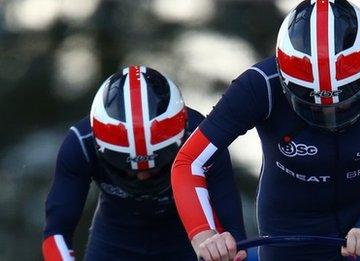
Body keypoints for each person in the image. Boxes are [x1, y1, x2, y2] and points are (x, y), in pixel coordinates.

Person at [171, 0, 360, 260]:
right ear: (285, 82)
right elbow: (188, 161)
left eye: (345, 102)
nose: (330, 114)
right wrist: (204, 235)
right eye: (312, 105)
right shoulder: (258, 86)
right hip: (290, 227)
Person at [42, 66, 246, 261]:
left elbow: (233, 230)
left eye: (157, 167)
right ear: (99, 148)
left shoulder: (201, 137)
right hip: (114, 243)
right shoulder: (80, 143)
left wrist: (225, 251)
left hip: (188, 242)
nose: (142, 176)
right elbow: (57, 231)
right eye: (127, 169)